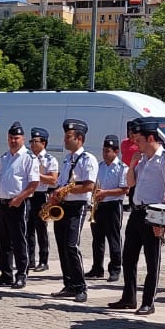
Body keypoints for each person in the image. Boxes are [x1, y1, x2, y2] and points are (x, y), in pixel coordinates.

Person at [109, 119, 165, 316]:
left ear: (150, 138)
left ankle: (149, 302)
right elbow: (130, 183)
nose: (135, 144)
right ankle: (128, 297)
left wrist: (163, 220)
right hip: (137, 212)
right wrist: (132, 165)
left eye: (138, 140)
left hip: (153, 214)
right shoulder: (143, 159)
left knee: (152, 260)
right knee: (128, 258)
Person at [48, 118, 98, 304]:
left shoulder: (88, 159)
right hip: (63, 206)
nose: (65, 140)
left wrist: (67, 190)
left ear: (79, 138)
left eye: (68, 136)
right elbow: (62, 181)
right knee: (62, 246)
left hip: (77, 207)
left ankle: (80, 287)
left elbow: (89, 186)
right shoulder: (67, 158)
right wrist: (56, 193)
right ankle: (68, 284)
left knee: (71, 246)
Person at [0, 122, 40, 288]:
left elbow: (34, 183)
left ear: (23, 139)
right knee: (3, 242)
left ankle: (22, 274)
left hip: (19, 203)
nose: (13, 141)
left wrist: (19, 198)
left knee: (19, 240)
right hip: (3, 203)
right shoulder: (4, 157)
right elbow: (0, 177)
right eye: (11, 138)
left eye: (16, 138)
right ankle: (6, 274)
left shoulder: (29, 158)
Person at [88, 136, 127, 281]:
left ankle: (115, 269)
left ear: (116, 152)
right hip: (99, 205)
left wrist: (105, 193)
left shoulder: (122, 168)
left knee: (113, 238)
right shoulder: (100, 166)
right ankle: (97, 268)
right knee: (97, 239)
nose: (105, 153)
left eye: (108, 151)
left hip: (113, 206)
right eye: (104, 150)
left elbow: (124, 189)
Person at [26, 128, 60, 273]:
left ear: (44, 143)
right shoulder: (27, 157)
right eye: (31, 141)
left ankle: (43, 260)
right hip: (29, 195)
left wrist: (36, 175)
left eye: (35, 141)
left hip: (41, 195)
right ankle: (30, 259)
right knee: (28, 230)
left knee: (41, 229)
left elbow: (53, 179)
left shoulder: (50, 159)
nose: (32, 144)